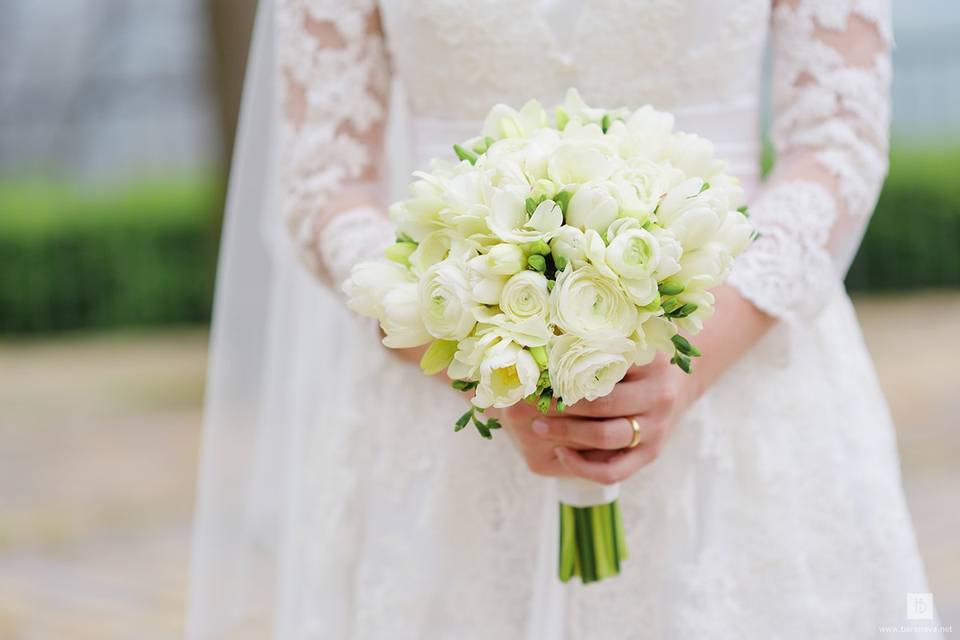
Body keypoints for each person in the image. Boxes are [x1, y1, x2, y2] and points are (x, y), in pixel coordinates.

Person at [186, 1, 940, 638]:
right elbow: (324, 181)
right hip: (441, 401)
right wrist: (478, 349)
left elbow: (836, 139)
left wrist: (687, 360)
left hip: (742, 367)